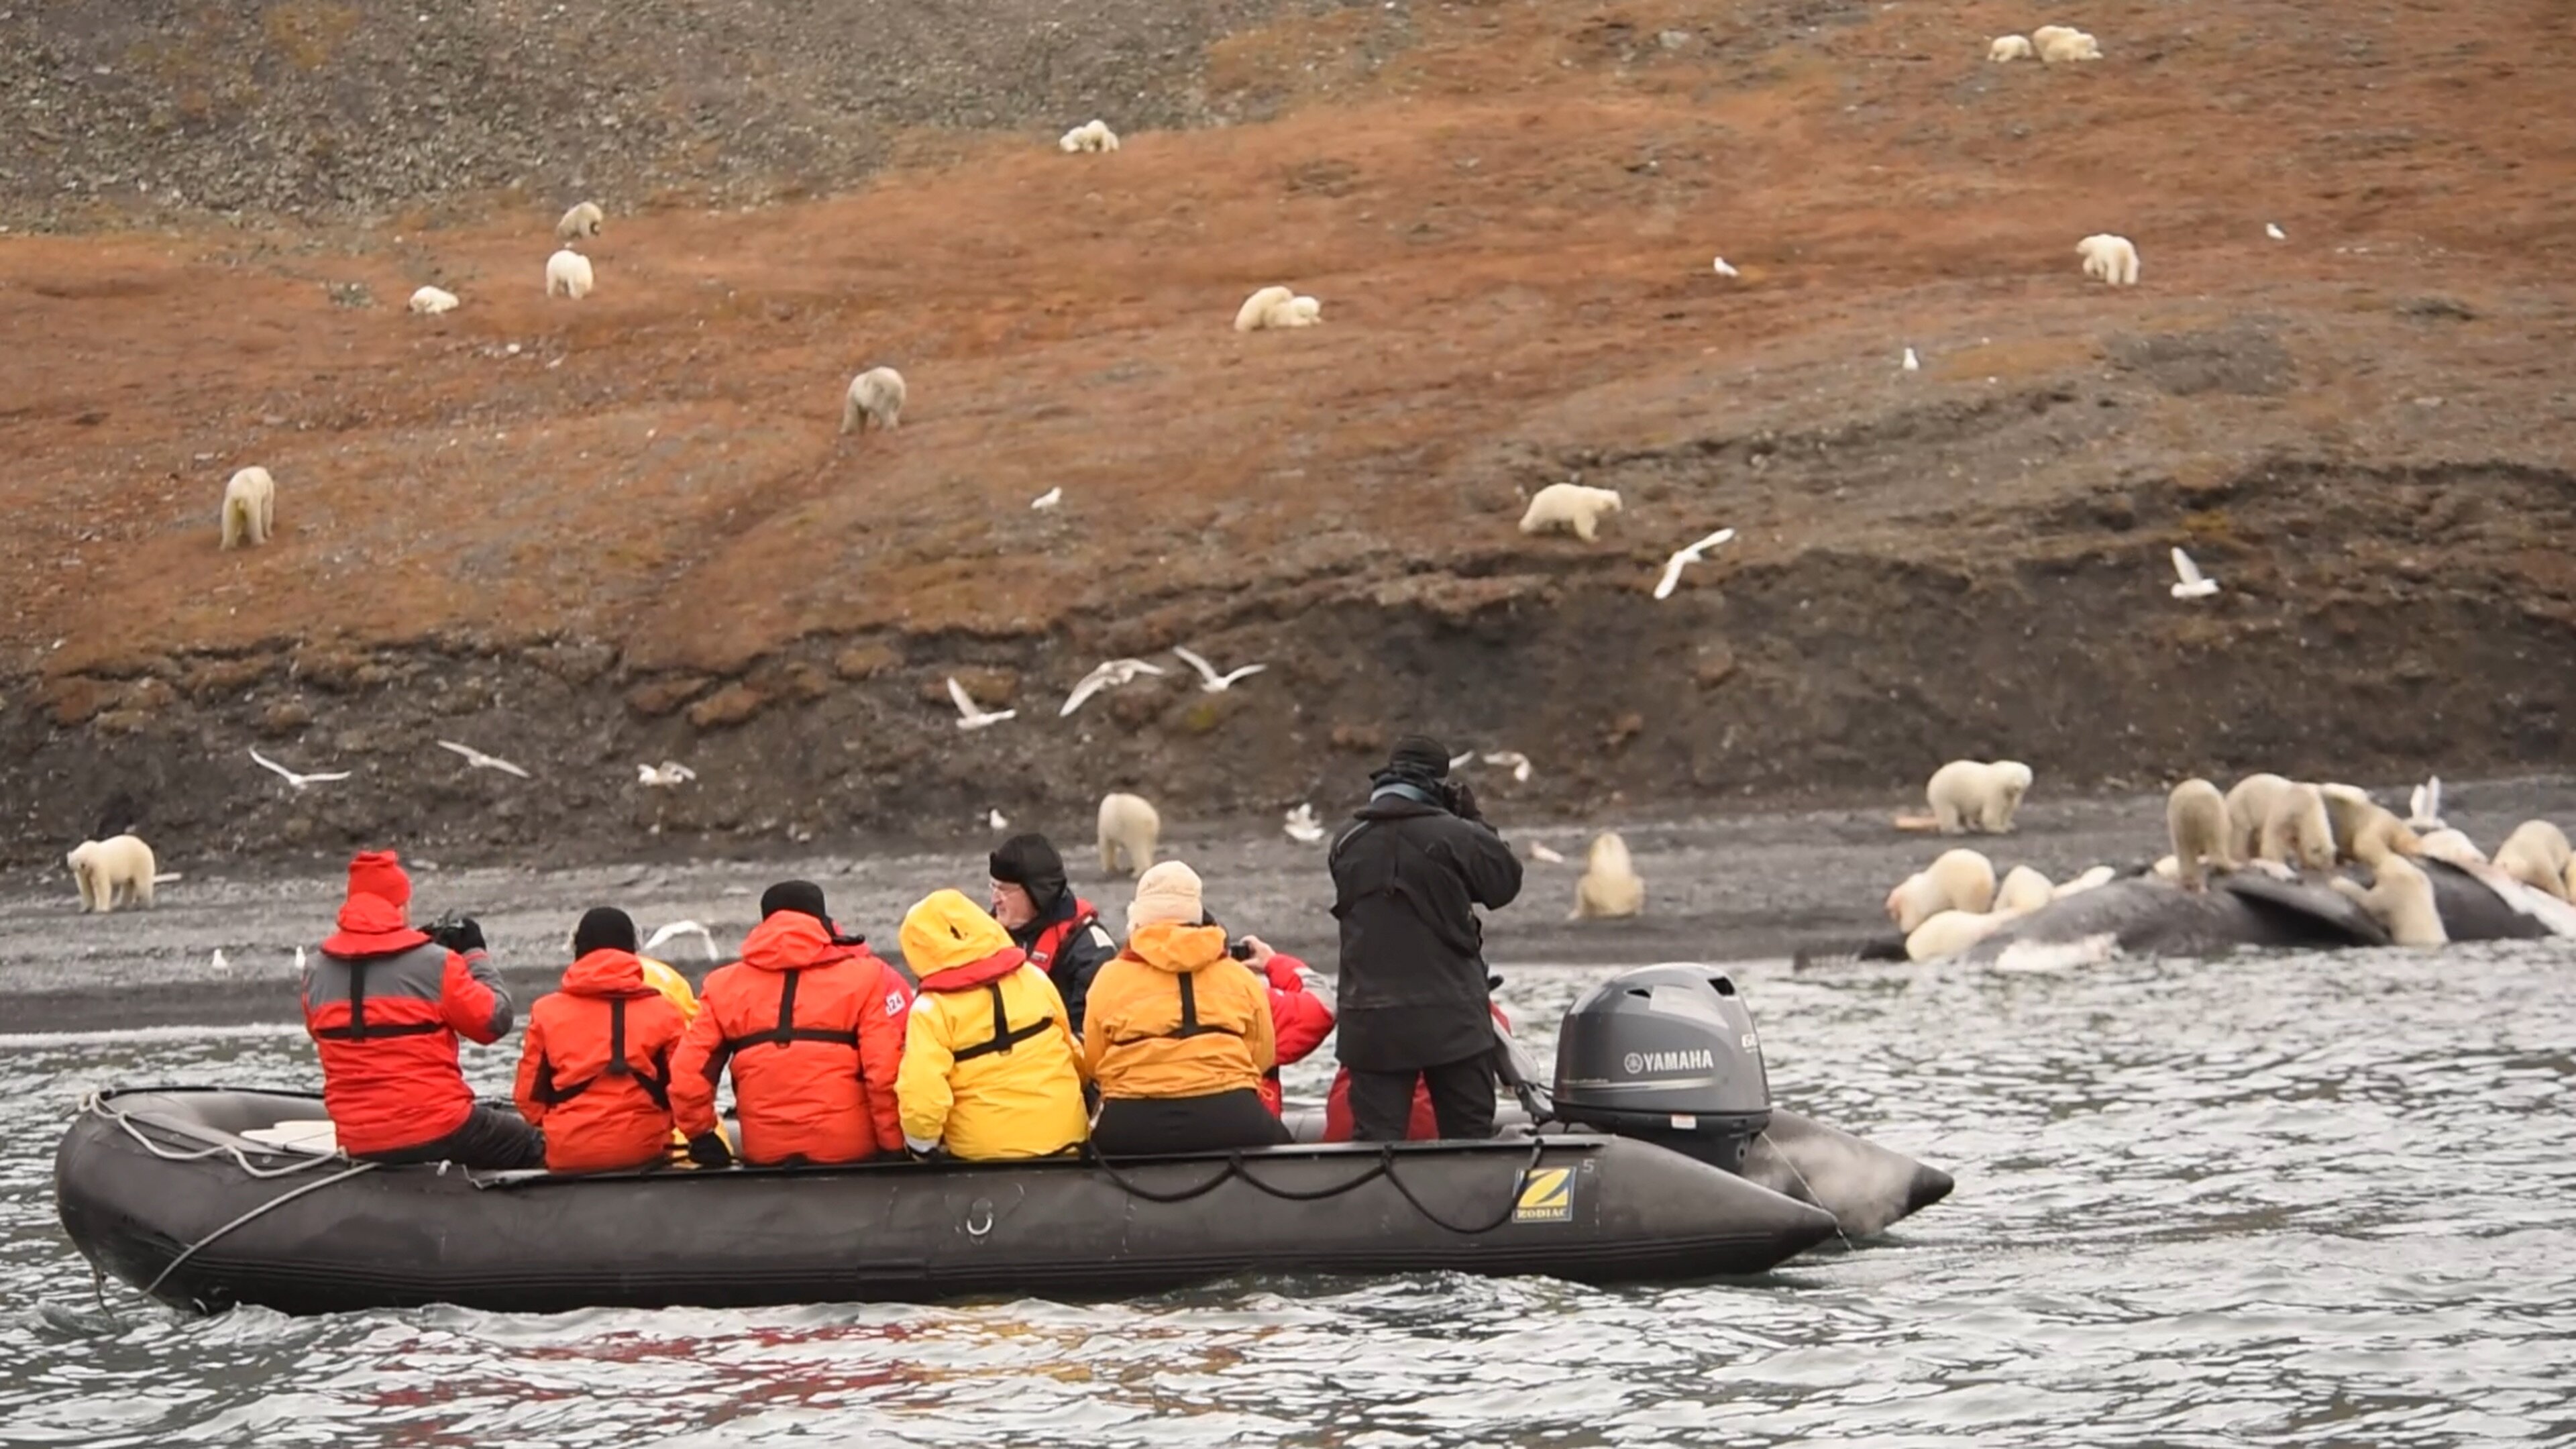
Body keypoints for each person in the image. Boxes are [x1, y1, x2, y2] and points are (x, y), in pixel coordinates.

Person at [1327, 734, 1523, 1141]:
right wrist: (1473, 819)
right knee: (1468, 1137)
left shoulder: (1346, 841)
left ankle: (1380, 1205)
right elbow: (1502, 885)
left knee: (1376, 1149)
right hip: (1452, 1017)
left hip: (1371, 1021)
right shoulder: (1456, 834)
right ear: (1439, 779)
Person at [300, 849, 543, 1169]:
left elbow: (323, 1033)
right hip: (439, 1127)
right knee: (536, 1145)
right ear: (400, 906)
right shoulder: (435, 964)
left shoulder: (317, 970)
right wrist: (475, 955)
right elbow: (494, 1022)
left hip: (358, 1138)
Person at [668, 881, 912, 1167]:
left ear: (765, 921)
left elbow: (687, 1074)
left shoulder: (722, 985)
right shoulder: (867, 978)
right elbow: (883, 1073)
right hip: (849, 1149)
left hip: (766, 1152)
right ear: (823, 920)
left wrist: (701, 1136)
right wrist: (894, 1148)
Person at [1081, 863, 1287, 1153]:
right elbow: (1262, 1055)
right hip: (1230, 1116)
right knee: (1286, 1152)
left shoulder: (1109, 978)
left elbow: (1094, 1061)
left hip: (1133, 1122)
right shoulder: (1239, 976)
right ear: (1196, 912)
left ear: (1139, 916)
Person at [894, 889, 1091, 1160]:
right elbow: (1071, 1050)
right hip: (1067, 1141)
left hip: (984, 1157)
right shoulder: (1033, 977)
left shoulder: (930, 1009)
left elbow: (922, 1094)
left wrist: (921, 1147)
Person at [513, 908, 689, 1173]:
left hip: (569, 1153)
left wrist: (561, 1126)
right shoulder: (665, 1011)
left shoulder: (546, 1012)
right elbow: (687, 1091)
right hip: (644, 1149)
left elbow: (528, 1100)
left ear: (578, 949)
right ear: (633, 949)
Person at [987, 833, 1119, 1036]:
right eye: (993, 887)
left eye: (1004, 890)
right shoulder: (983, 937)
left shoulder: (1090, 949)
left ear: (1038, 892)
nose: (995, 899)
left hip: (1056, 1061)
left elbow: (1091, 1035)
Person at [1218, 926, 1335, 1116]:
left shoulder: (1151, 1000)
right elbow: (1323, 1007)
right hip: (1246, 1130)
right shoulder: (1254, 1004)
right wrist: (1273, 962)